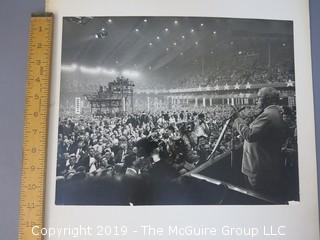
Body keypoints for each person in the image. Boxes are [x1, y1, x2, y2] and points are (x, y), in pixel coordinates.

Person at [232, 87, 287, 199]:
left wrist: (237, 120)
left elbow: (250, 135)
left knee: (255, 199)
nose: (257, 100)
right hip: (265, 166)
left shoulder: (268, 115)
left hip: (258, 169)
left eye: (259, 98)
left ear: (268, 100)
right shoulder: (274, 113)